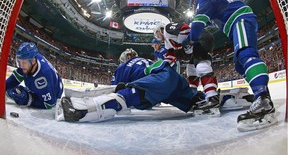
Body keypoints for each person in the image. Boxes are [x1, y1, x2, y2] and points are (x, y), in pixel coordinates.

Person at [188, 0, 277, 131]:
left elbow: (198, 23)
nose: (195, 5)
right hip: (240, 19)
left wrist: (191, 40)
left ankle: (263, 100)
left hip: (239, 19)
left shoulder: (202, 0)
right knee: (240, 65)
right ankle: (264, 98)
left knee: (245, 55)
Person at [55, 48, 205, 122]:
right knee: (195, 102)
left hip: (157, 82)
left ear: (124, 58)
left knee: (124, 95)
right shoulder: (146, 60)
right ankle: (218, 99)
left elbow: (115, 89)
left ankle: (83, 110)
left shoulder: (122, 67)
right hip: (173, 78)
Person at [153, 22, 219, 111]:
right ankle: (194, 95)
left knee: (201, 66)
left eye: (157, 34)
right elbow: (170, 55)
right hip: (196, 44)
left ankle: (212, 96)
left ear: (159, 30)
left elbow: (185, 28)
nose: (157, 38)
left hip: (200, 37)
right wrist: (162, 66)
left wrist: (184, 42)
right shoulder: (167, 43)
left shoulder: (167, 29)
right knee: (191, 68)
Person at [6, 42, 63, 109]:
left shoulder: (44, 77)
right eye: (19, 62)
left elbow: (49, 104)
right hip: (41, 86)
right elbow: (14, 79)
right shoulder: (29, 59)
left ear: (33, 61)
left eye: (23, 62)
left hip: (54, 93)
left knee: (21, 98)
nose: (21, 66)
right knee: (13, 90)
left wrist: (29, 100)